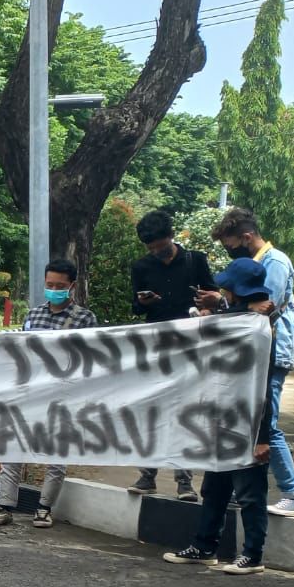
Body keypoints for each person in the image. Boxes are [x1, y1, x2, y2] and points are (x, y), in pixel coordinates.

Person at [163, 258, 279, 575]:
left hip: (248, 423)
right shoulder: (240, 318)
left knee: (250, 494)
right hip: (224, 420)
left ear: (239, 289)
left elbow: (264, 387)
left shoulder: (256, 327)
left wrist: (262, 437)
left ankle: (252, 555)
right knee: (215, 488)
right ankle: (204, 546)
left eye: (228, 286)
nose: (222, 289)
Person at [200, 207, 294, 517]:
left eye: (232, 246)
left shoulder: (274, 263)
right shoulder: (261, 262)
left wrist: (220, 303)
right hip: (258, 351)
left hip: (271, 350)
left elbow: (261, 310)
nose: (230, 253)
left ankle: (292, 492)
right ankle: (239, 489)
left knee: (266, 423)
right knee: (250, 420)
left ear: (247, 237)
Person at [0, 259, 98, 529]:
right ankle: (5, 505)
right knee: (12, 449)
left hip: (63, 395)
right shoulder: (33, 315)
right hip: (30, 393)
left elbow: (90, 358)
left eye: (60, 285)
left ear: (72, 285)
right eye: (50, 285)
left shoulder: (85, 318)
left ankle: (44, 508)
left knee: (56, 456)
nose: (54, 289)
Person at [127, 211, 213, 502]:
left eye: (160, 245)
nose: (155, 251)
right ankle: (147, 475)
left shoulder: (196, 260)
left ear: (171, 236)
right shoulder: (141, 266)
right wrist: (143, 301)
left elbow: (212, 295)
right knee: (152, 410)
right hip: (156, 346)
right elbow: (136, 307)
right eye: (150, 248)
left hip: (191, 345)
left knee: (183, 412)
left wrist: (206, 309)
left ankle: (184, 481)